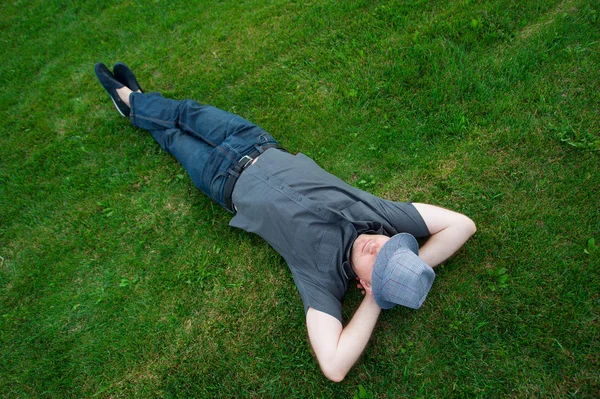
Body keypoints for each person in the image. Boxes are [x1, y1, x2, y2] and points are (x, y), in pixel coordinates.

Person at [95, 62, 476, 382]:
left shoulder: (321, 278)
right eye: (393, 247)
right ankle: (137, 100)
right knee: (188, 112)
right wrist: (410, 267)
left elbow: (335, 366)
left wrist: (378, 297)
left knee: (174, 139)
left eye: (380, 262)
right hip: (251, 140)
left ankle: (132, 103)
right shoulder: (381, 219)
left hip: (219, 180)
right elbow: (463, 225)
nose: (379, 245)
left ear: (363, 284)